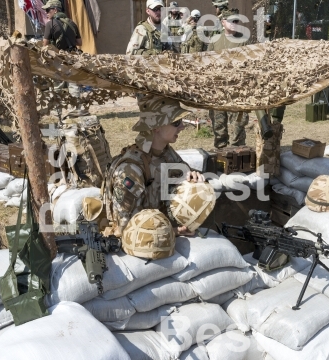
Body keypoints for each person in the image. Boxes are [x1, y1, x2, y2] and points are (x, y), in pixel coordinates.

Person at [105, 94, 205, 237]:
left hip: (160, 226)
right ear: (156, 126)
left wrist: (193, 176)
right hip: (140, 240)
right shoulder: (130, 170)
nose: (182, 126)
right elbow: (125, 230)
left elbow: (182, 172)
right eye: (176, 122)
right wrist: (174, 232)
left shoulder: (165, 152)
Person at [207, 9, 249, 148]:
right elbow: (207, 63)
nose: (234, 23)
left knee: (238, 125)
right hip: (218, 90)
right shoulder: (215, 41)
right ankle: (221, 154)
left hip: (237, 90)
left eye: (236, 21)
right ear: (223, 22)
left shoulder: (244, 40)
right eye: (231, 21)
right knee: (219, 126)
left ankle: (238, 152)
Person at [42, 0, 88, 117]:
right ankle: (76, 110)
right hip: (71, 58)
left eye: (48, 10)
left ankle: (58, 113)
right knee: (73, 85)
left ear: (55, 10)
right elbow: (79, 42)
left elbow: (45, 45)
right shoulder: (72, 23)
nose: (46, 13)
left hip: (57, 59)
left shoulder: (50, 24)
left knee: (57, 87)